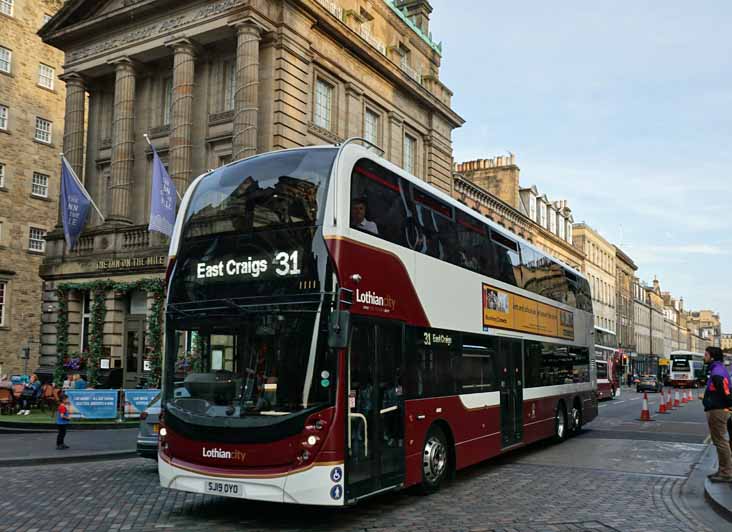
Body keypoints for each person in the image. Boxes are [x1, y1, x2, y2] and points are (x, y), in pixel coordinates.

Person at [700, 346, 732, 482]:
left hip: (717, 410)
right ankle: (723, 470)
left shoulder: (717, 372)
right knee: (719, 441)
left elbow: (725, 392)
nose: (704, 357)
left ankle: (726, 472)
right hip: (716, 408)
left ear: (712, 357)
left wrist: (726, 405)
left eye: (706, 354)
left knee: (721, 442)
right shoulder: (716, 369)